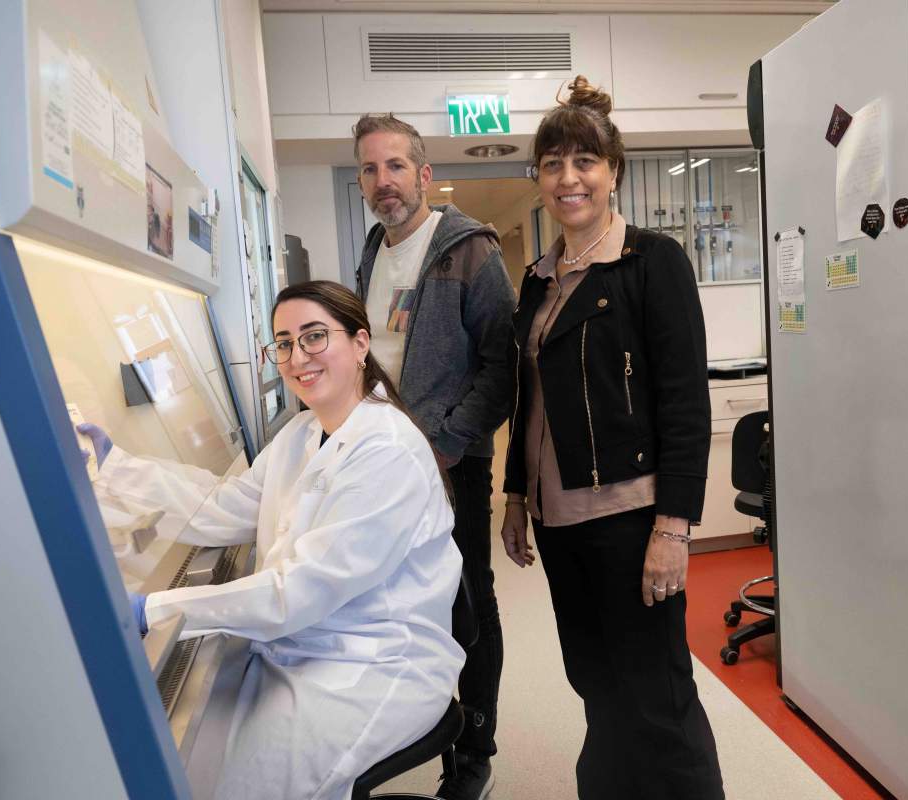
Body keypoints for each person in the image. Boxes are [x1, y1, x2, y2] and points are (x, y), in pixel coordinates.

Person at [84, 281, 465, 800]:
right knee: (206, 752)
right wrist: (115, 469)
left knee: (241, 782)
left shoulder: (388, 450)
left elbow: (297, 591)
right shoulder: (303, 433)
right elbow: (223, 505)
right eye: (283, 343)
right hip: (307, 646)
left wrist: (154, 608)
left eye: (313, 337)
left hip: (372, 663)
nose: (296, 357)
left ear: (359, 344)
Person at [498, 76, 725, 799]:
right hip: (559, 522)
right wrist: (511, 493)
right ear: (538, 178)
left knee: (657, 696)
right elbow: (527, 399)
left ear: (613, 171)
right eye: (553, 163)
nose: (569, 178)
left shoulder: (650, 263)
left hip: (631, 519)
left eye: (584, 162)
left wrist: (674, 529)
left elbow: (686, 402)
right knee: (595, 684)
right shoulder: (537, 280)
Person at [353, 113, 515, 799]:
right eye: (369, 169)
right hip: (382, 466)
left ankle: (475, 746)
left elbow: (502, 367)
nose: (383, 182)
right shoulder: (371, 250)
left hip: (451, 464)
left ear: (423, 174)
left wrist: (446, 441)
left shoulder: (471, 251)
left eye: (395, 167)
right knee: (400, 599)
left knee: (469, 599)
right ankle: (413, 724)